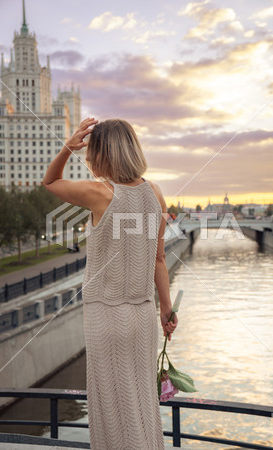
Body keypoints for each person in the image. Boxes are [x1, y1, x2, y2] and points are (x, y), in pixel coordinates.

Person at [42, 117, 178, 450]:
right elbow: (159, 260)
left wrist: (66, 147)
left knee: (111, 403)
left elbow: (50, 182)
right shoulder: (155, 193)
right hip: (143, 314)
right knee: (142, 399)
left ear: (102, 152)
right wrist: (166, 308)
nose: (87, 157)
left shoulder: (98, 192)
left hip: (106, 313)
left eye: (90, 150)